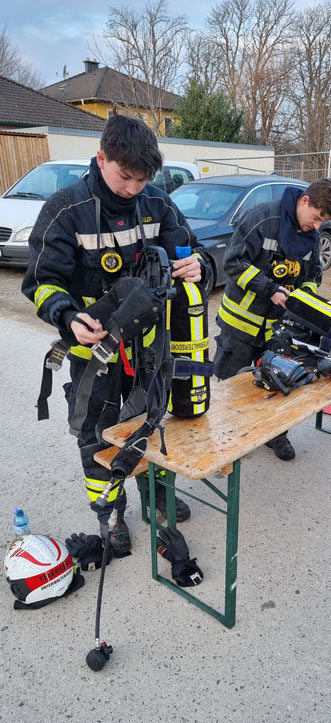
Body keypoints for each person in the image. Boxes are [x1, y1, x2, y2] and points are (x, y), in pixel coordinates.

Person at [22, 113, 211, 555]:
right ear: (101, 157)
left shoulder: (158, 203)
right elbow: (40, 281)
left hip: (149, 352)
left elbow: (194, 251)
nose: (133, 189)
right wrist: (67, 316)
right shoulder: (67, 210)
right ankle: (109, 515)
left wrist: (198, 265)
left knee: (150, 424)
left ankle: (156, 499)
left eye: (143, 179)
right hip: (95, 356)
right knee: (97, 436)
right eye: (126, 177)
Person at [214, 177, 331, 460]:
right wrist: (269, 288)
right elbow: (233, 264)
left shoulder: (309, 234)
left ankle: (275, 435)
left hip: (277, 329)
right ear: (305, 201)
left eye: (324, 222)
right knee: (228, 385)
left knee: (278, 381)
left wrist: (302, 299)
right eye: (317, 218)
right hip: (239, 324)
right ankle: (226, 439)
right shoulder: (262, 217)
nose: (318, 227)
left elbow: (313, 276)